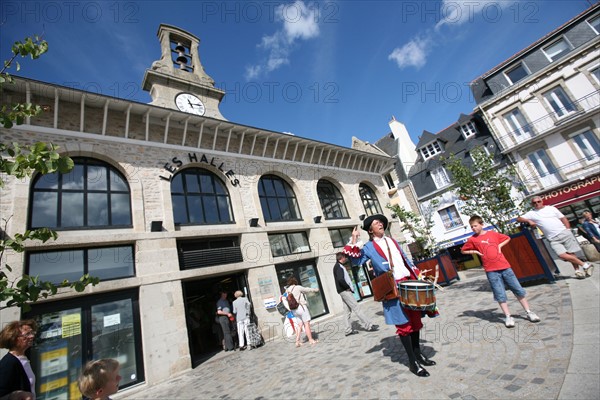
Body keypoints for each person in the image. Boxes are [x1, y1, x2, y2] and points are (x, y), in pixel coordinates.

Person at [344, 214, 435, 377]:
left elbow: (406, 260)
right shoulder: (368, 247)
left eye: (381, 222)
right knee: (403, 324)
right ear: (370, 230)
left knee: (415, 320)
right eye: (375, 223)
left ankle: (418, 354)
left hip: (408, 282)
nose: (380, 224)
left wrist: (418, 275)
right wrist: (353, 240)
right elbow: (356, 261)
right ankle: (412, 362)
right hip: (392, 288)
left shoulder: (392, 240)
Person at [461, 215, 541, 328]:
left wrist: (499, 246)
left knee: (517, 289)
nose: (473, 228)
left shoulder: (492, 234)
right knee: (500, 294)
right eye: (471, 227)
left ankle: (529, 312)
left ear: (481, 224)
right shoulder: (473, 239)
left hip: (505, 267)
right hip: (491, 270)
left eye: (475, 226)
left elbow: (507, 238)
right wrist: (476, 252)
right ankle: (508, 316)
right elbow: (463, 250)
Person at [517, 196, 593, 278]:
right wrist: (529, 220)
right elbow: (519, 219)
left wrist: (567, 229)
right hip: (552, 238)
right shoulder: (531, 213)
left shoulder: (551, 208)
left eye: (538, 201)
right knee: (561, 255)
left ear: (542, 201)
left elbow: (563, 218)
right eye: (534, 202)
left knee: (571, 253)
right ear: (532, 204)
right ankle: (585, 265)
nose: (537, 203)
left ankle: (577, 271)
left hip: (563, 232)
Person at [333, 251, 379, 336]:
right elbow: (340, 279)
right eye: (344, 257)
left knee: (347, 311)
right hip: (345, 291)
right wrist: (348, 287)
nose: (345, 258)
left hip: (342, 291)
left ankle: (348, 330)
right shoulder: (338, 267)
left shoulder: (337, 266)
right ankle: (369, 325)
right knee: (356, 308)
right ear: (341, 258)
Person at [0, 320, 37, 400]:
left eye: (32, 333)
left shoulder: (24, 358)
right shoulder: (8, 363)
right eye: (27, 334)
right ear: (14, 339)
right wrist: (15, 396)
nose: (32, 336)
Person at [285, 276, 320, 347]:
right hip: (301, 307)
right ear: (295, 281)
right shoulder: (298, 287)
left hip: (294, 310)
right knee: (306, 323)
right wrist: (315, 290)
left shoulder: (287, 290)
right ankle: (311, 340)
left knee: (299, 325)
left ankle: (297, 341)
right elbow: (306, 289)